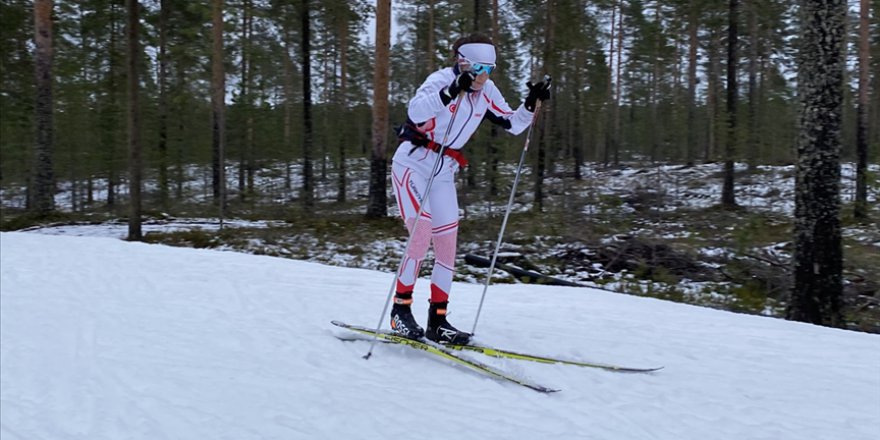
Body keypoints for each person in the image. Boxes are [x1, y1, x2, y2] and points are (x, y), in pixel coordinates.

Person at [389, 33, 551, 345]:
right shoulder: (439, 80)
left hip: (443, 172)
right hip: (413, 164)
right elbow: (416, 112)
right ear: (462, 63)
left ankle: (438, 321)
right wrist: (451, 91)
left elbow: (513, 123)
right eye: (478, 69)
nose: (483, 76)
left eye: (489, 69)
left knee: (447, 246)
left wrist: (531, 103)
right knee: (421, 236)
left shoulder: (487, 90)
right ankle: (400, 310)